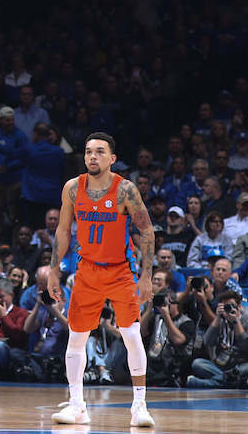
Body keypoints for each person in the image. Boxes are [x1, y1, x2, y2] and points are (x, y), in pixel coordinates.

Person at [48, 133, 156, 427]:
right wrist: (54, 270)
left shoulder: (126, 190)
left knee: (132, 335)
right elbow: (63, 231)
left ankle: (139, 407)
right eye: (87, 152)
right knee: (76, 339)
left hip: (120, 271)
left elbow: (146, 232)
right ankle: (77, 406)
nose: (92, 156)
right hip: (86, 271)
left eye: (99, 151)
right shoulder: (72, 188)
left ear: (112, 158)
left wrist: (146, 274)